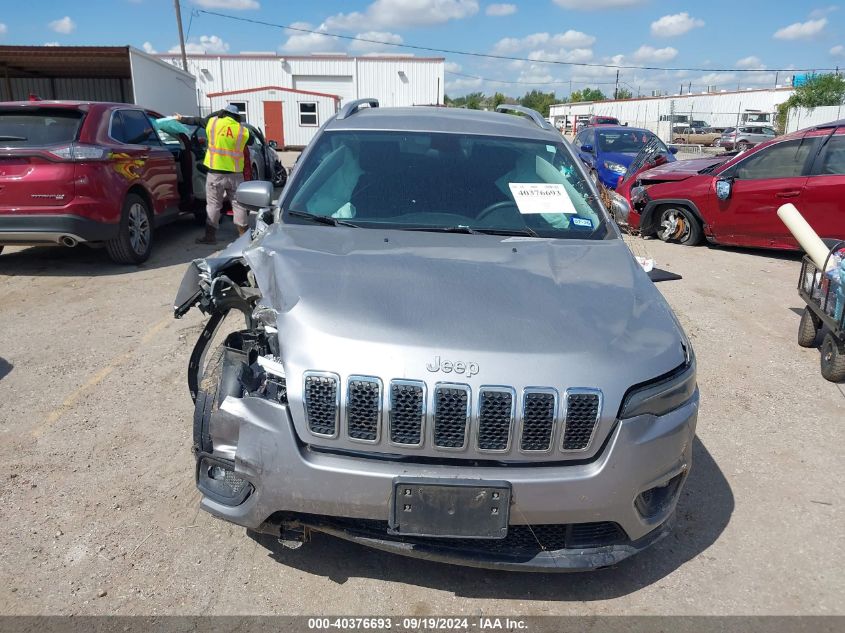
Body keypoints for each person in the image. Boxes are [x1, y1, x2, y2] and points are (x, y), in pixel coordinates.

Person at [175, 104, 251, 244]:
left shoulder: (213, 123)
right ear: (237, 117)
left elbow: (197, 120)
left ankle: (210, 237)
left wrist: (181, 119)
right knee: (239, 205)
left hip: (215, 173)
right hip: (235, 175)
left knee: (213, 205)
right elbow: (250, 141)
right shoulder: (243, 130)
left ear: (223, 113)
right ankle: (244, 237)